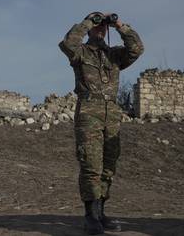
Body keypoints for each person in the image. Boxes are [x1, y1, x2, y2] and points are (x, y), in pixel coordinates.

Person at [58, 12, 144, 235]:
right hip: (89, 112)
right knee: (91, 164)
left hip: (112, 114)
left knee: (109, 165)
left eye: (102, 27)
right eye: (98, 26)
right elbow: (68, 43)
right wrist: (89, 21)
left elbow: (136, 49)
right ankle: (91, 215)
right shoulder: (81, 52)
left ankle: (101, 212)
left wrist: (119, 25)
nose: (100, 29)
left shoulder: (115, 55)